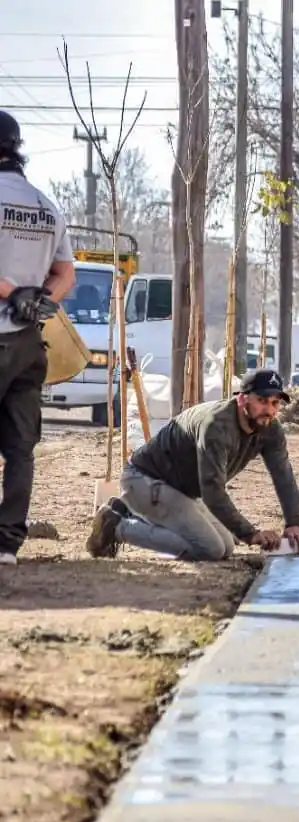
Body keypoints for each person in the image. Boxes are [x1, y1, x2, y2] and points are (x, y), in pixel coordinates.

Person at [84, 368, 299, 561]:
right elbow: (212, 492)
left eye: (275, 403)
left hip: (181, 492)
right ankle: (116, 526)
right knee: (209, 549)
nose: (270, 410)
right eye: (262, 401)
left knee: (226, 547)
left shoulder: (270, 429)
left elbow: (283, 474)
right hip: (145, 480)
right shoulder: (216, 426)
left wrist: (295, 523)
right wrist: (251, 534)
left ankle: (132, 515)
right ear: (242, 398)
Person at [0, 110, 76, 566]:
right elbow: (67, 273)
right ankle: (7, 542)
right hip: (30, 344)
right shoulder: (47, 206)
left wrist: (13, 292)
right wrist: (40, 300)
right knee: (20, 445)